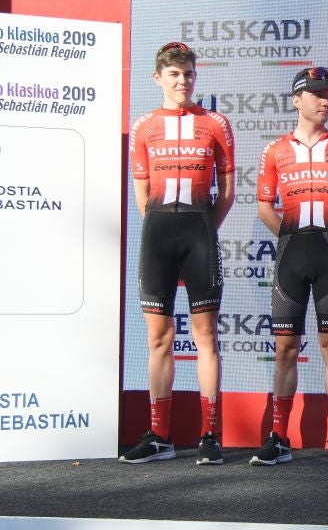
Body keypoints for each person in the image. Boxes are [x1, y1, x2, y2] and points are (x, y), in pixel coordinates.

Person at [121, 42, 235, 465]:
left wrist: (203, 229)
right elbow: (141, 194)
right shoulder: (145, 126)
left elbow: (227, 193)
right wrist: (161, 231)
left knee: (206, 337)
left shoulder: (216, 123)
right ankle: (160, 436)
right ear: (158, 79)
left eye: (188, 74)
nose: (183, 81)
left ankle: (210, 434)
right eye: (174, 74)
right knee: (158, 339)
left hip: (199, 230)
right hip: (158, 233)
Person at [251, 67, 328, 468]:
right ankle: (279, 436)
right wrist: (291, 236)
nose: (325, 101)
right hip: (290, 255)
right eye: (317, 94)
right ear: (297, 99)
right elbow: (264, 205)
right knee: (285, 348)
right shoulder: (275, 150)